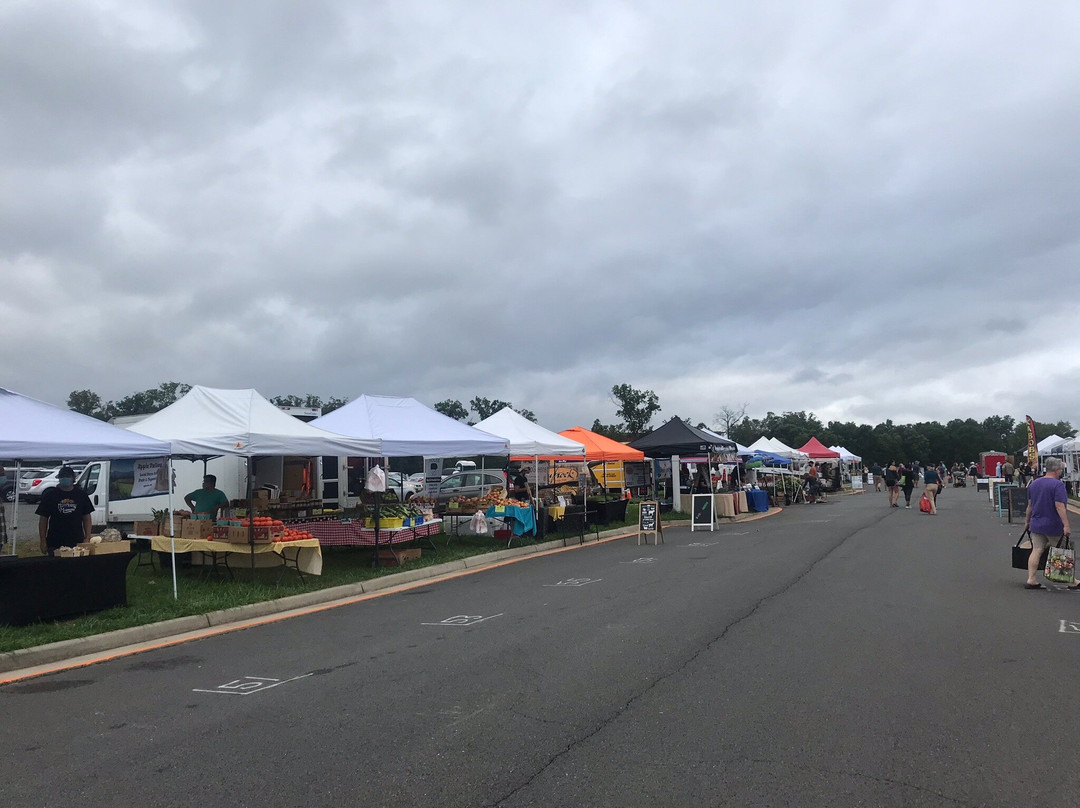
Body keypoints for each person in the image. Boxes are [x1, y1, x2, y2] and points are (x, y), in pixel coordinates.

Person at [1023, 456, 1076, 590]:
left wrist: (1027, 521)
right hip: (1053, 525)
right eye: (1061, 469)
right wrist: (1066, 525)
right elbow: (1059, 506)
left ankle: (1031, 578)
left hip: (1037, 523)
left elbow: (1030, 506)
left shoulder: (1034, 483)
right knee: (1062, 552)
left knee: (1036, 550)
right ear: (1057, 470)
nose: (1062, 471)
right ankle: (1069, 580)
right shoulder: (1058, 485)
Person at [36, 466, 93, 555]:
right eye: (62, 476)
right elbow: (43, 519)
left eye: (67, 476)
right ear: (59, 478)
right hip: (54, 542)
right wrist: (43, 541)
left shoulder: (81, 495)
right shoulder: (50, 495)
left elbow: (87, 517)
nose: (65, 478)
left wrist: (87, 537)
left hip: (77, 541)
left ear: (73, 478)